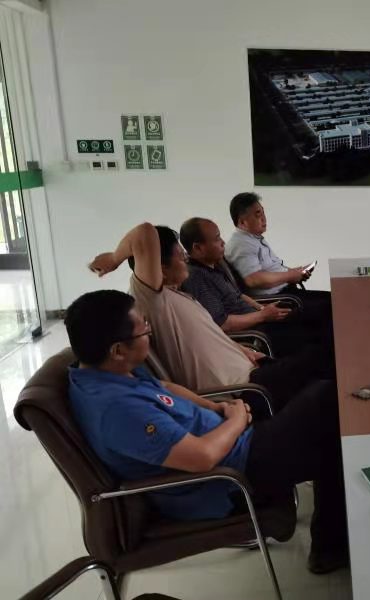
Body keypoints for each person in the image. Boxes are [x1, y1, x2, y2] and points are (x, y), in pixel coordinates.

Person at [65, 290, 348, 573]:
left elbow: (163, 387)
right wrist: (236, 420)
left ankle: (331, 545)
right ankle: (329, 548)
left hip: (234, 444)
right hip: (230, 478)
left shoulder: (104, 370)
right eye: (144, 330)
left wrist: (215, 406)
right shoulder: (118, 410)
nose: (150, 333)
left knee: (328, 407)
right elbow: (201, 458)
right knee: (330, 405)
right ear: (117, 350)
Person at [88, 222, 329, 411]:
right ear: (161, 268)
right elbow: (144, 233)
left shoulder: (178, 296)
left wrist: (244, 351)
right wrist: (114, 258)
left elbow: (210, 335)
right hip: (242, 393)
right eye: (180, 255)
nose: (185, 259)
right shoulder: (152, 301)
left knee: (327, 354)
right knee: (326, 357)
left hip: (253, 370)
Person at [179, 217, 323, 358]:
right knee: (317, 335)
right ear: (198, 248)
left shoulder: (215, 265)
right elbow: (222, 323)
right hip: (254, 333)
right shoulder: (197, 277)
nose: (223, 242)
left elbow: (239, 295)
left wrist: (262, 309)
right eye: (217, 239)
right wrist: (262, 315)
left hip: (260, 319)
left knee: (319, 314)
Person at [224, 192, 332, 328]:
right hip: (276, 300)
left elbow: (272, 269)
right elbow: (253, 279)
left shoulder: (253, 239)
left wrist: (296, 273)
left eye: (263, 212)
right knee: (331, 306)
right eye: (258, 215)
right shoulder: (241, 245)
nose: (264, 218)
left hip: (287, 293)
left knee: (334, 300)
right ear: (242, 222)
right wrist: (290, 275)